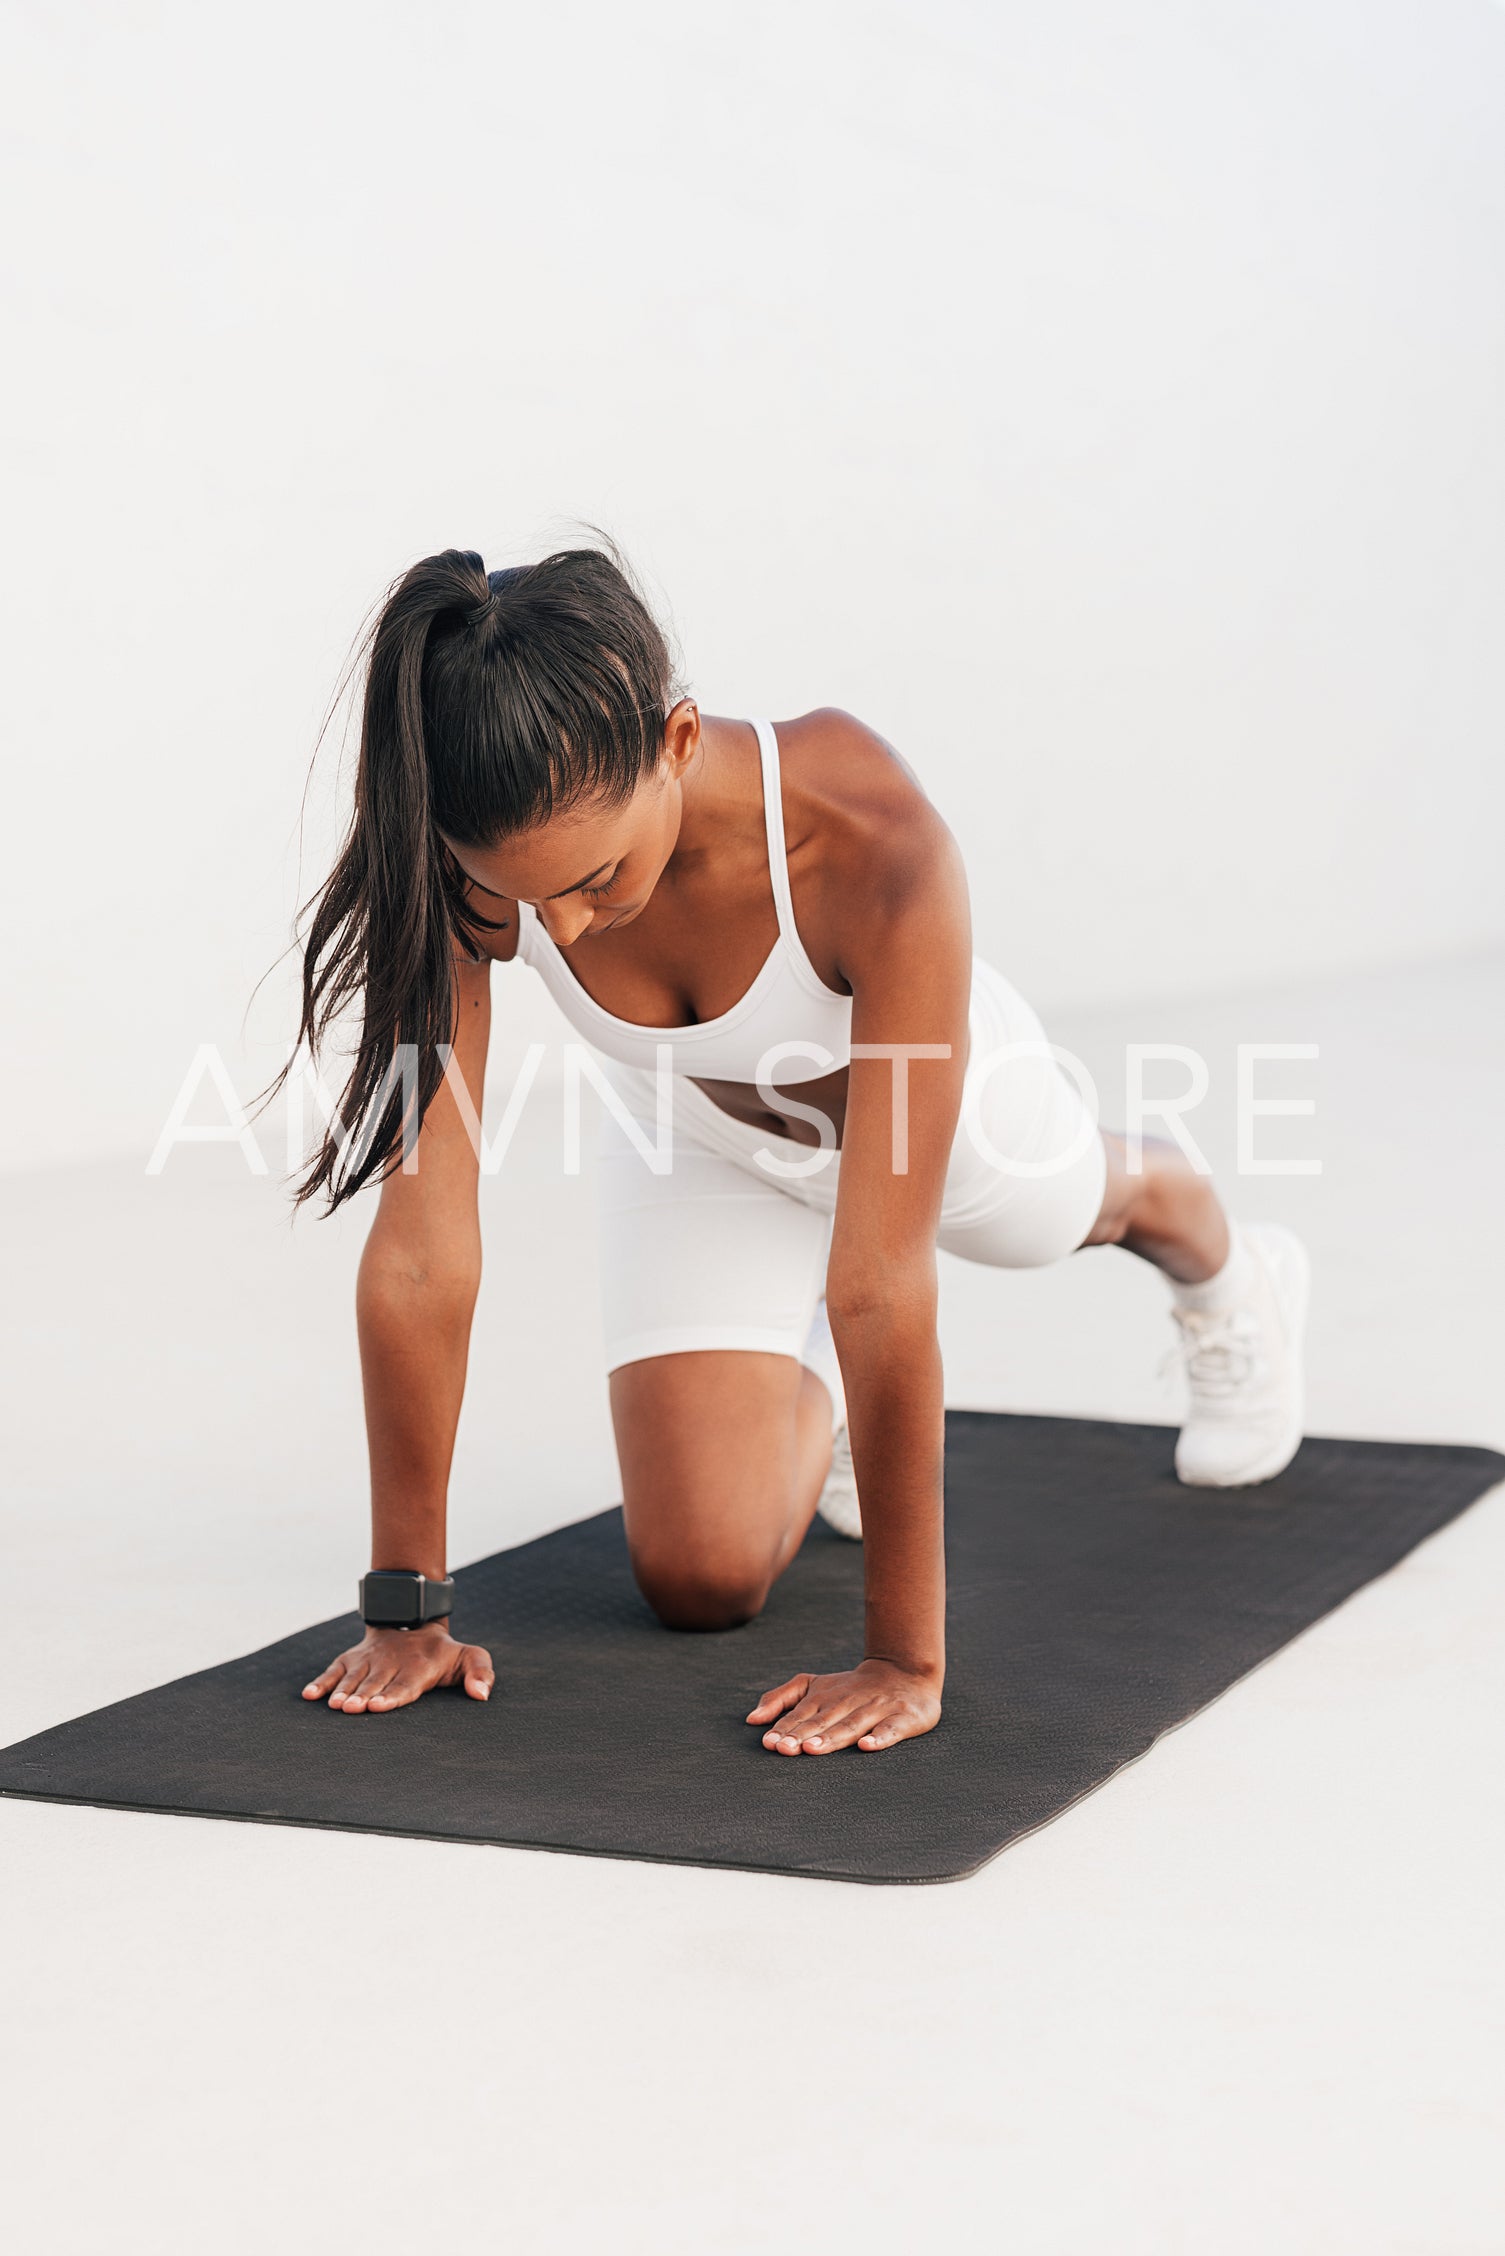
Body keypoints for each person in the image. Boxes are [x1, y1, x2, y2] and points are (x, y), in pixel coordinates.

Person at [293, 545, 1309, 1757]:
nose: (553, 928)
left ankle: (1226, 1262)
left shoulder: (866, 837)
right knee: (696, 1579)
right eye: (525, 897)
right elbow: (421, 1245)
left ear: (672, 744)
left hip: (934, 1106)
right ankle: (810, 1388)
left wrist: (902, 1658)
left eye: (594, 878)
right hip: (699, 1136)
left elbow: (882, 1280)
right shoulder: (476, 871)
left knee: (1075, 1208)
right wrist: (408, 1608)